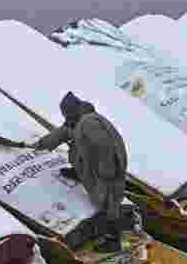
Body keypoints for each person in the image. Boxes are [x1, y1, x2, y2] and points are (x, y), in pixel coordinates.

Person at [32, 92, 129, 253]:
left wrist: (107, 172)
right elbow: (61, 134)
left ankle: (113, 241)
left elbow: (105, 147)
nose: (65, 117)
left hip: (109, 172)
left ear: (72, 110)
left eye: (66, 113)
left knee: (109, 204)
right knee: (106, 201)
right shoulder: (77, 121)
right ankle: (79, 173)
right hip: (98, 170)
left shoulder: (90, 122)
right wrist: (40, 144)